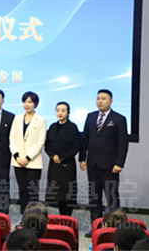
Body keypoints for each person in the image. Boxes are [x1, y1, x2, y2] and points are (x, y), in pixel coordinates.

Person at [80, 89, 128, 233]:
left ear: (111, 101)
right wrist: (82, 158)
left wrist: (119, 163)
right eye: (98, 98)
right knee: (94, 197)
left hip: (110, 166)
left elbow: (123, 143)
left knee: (112, 198)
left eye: (103, 98)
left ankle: (115, 228)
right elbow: (85, 139)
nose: (100, 101)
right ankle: (96, 227)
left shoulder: (119, 119)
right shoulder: (91, 117)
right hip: (92, 164)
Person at [9, 91, 46, 213]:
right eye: (24, 102)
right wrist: (17, 156)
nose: (26, 104)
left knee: (33, 192)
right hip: (18, 161)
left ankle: (34, 216)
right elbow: (12, 138)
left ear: (35, 104)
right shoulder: (17, 118)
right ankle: (23, 216)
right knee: (22, 191)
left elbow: (40, 142)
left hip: (33, 163)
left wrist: (27, 158)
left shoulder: (41, 120)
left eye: (29, 102)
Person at [44, 101, 80, 216]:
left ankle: (67, 217)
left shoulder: (72, 127)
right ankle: (61, 216)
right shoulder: (52, 127)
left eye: (63, 111)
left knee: (67, 193)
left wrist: (61, 157)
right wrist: (53, 156)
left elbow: (76, 147)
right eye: (58, 110)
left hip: (67, 164)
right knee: (57, 194)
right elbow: (47, 146)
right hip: (54, 164)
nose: (60, 113)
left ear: (68, 113)